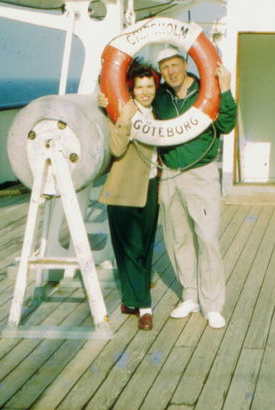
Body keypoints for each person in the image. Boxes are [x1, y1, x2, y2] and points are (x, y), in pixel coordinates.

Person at [154, 46, 237, 329]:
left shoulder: (206, 90)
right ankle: (189, 295)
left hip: (200, 174)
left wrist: (225, 90)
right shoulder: (160, 97)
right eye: (165, 67)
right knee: (178, 238)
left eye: (175, 65)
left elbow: (226, 124)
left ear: (186, 63)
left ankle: (213, 305)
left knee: (208, 238)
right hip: (168, 173)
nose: (171, 72)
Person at [98, 60, 160, 331]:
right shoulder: (124, 110)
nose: (145, 91)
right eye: (140, 87)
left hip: (150, 186)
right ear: (131, 90)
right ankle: (145, 308)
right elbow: (116, 149)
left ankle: (128, 300)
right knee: (131, 248)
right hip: (123, 188)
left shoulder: (158, 113)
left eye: (149, 86)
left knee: (143, 248)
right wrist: (123, 119)